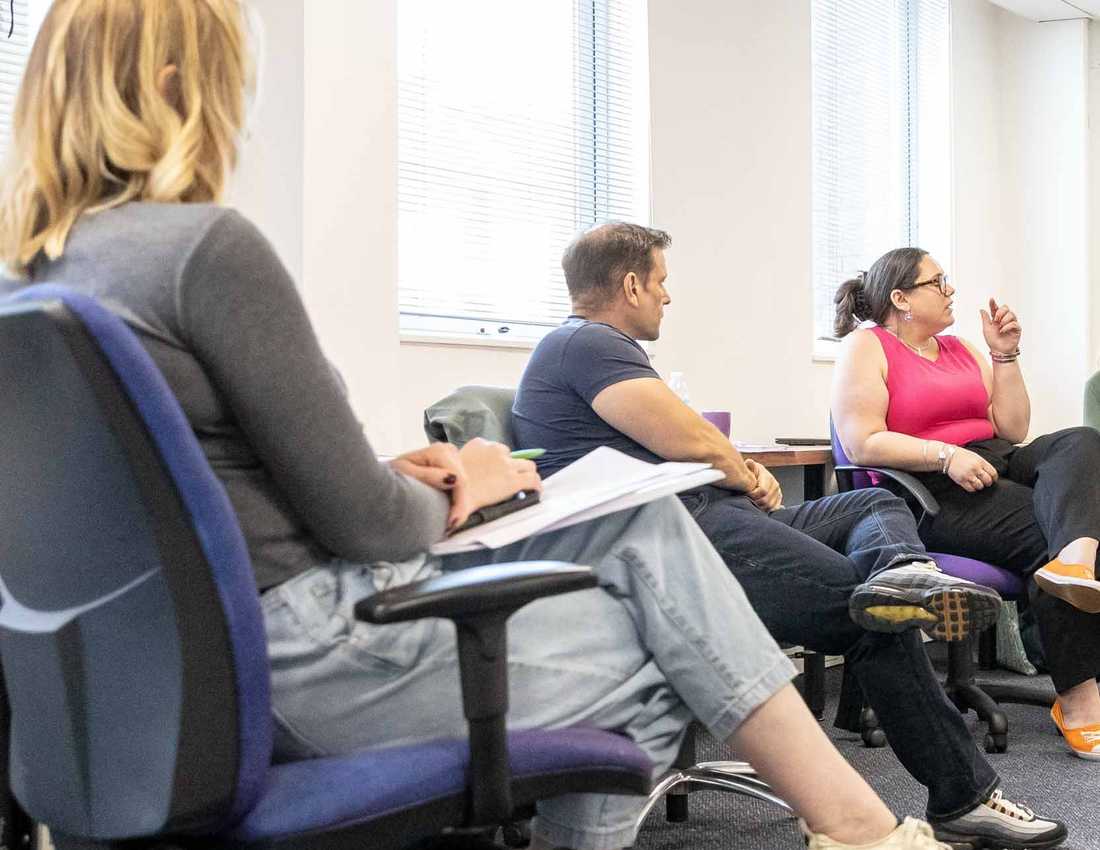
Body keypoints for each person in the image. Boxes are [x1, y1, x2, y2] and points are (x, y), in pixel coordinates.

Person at [0, 3, 965, 849]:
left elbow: (191, 496)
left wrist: (392, 472)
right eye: (226, 84)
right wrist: (468, 480)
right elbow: (373, 529)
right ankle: (864, 831)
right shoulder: (201, 249)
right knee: (668, 655)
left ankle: (860, 829)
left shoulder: (38, 286)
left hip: (138, 684)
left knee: (654, 554)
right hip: (305, 657)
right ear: (171, 87)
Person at [511, 222, 1066, 849]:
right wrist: (745, 472)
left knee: (872, 503)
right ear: (632, 283)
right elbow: (686, 436)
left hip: (714, 519)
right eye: (662, 282)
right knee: (868, 613)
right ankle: (965, 797)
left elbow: (680, 441)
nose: (668, 297)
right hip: (680, 540)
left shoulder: (589, 348)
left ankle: (908, 573)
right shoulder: (586, 342)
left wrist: (735, 476)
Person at [831, 246, 1100, 763]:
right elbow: (862, 440)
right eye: (939, 282)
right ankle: (1078, 699)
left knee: (1082, 443)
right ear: (900, 297)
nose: (951, 290)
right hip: (929, 487)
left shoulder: (958, 349)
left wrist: (1004, 354)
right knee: (1050, 532)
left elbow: (1014, 429)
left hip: (992, 461)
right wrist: (945, 454)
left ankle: (1077, 563)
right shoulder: (868, 347)